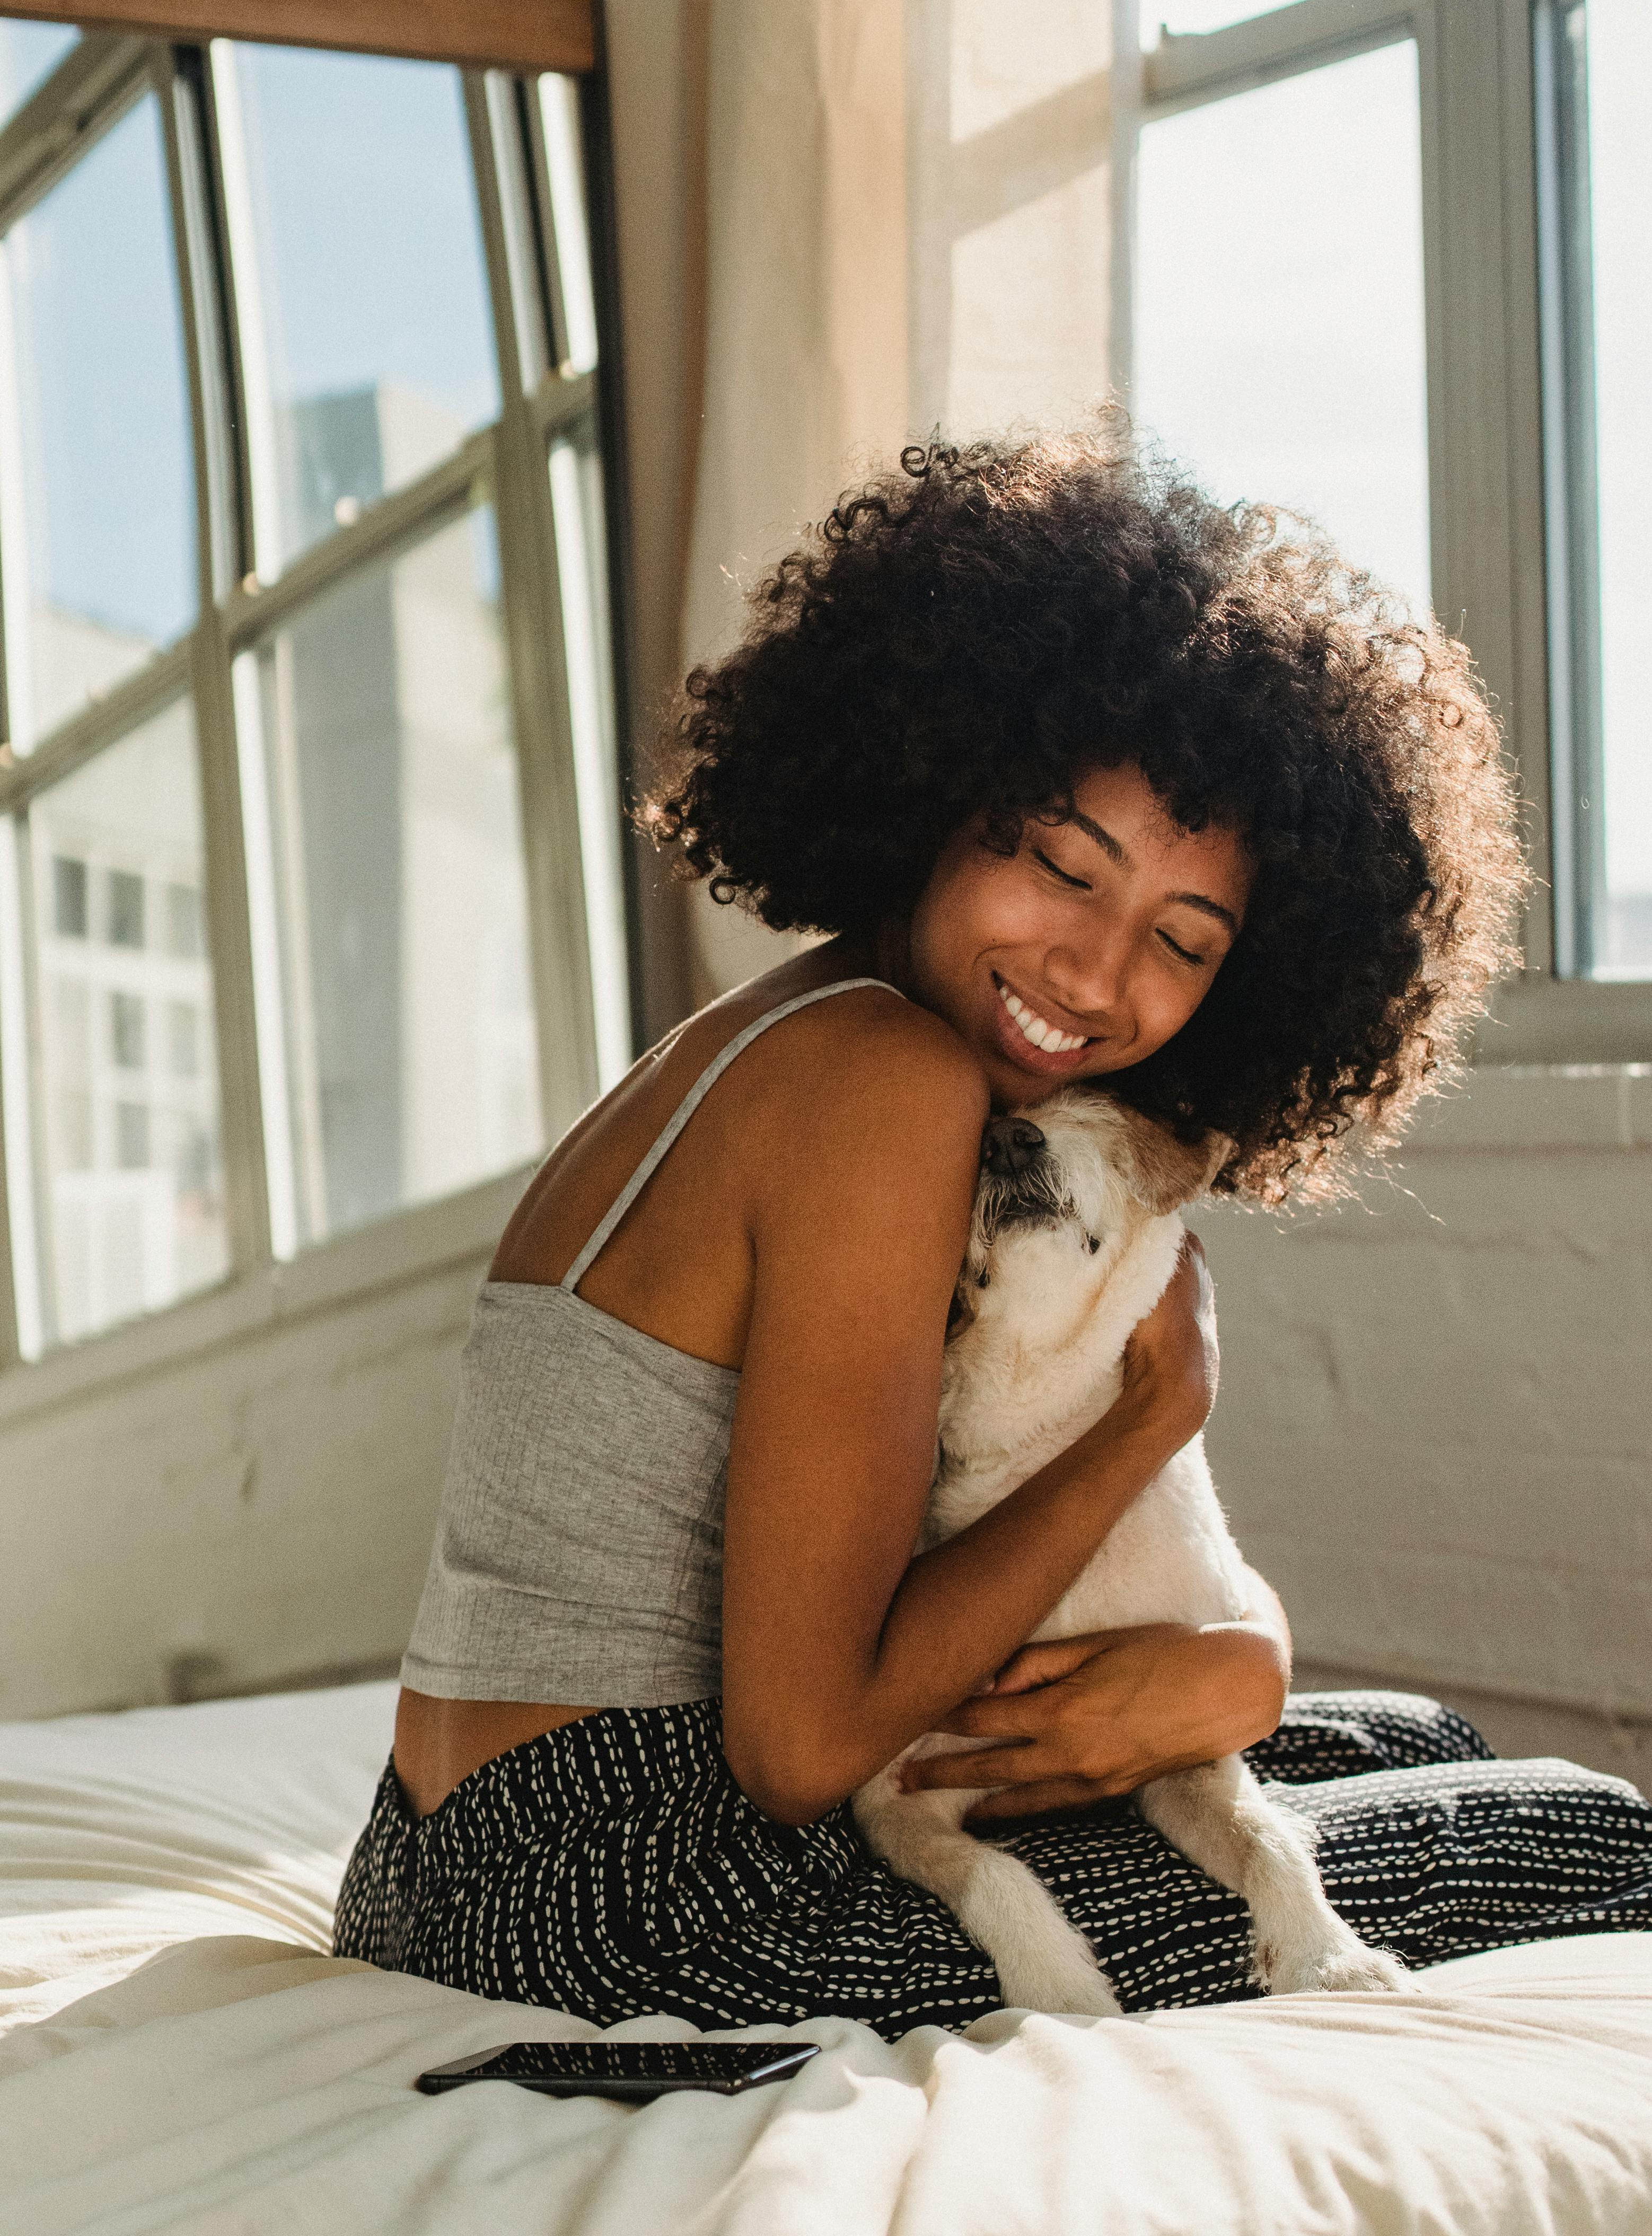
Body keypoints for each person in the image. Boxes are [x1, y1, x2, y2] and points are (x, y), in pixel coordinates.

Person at [335, 423, 1651, 2032]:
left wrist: (1232, 1667)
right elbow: (805, 1748)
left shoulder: (777, 1032)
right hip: (639, 1901)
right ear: (944, 783)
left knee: (1414, 1749)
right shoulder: (879, 1084)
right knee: (1588, 1833)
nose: (1094, 977)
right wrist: (1152, 1420)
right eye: (1056, 863)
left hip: (444, 1857)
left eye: (1179, 938)